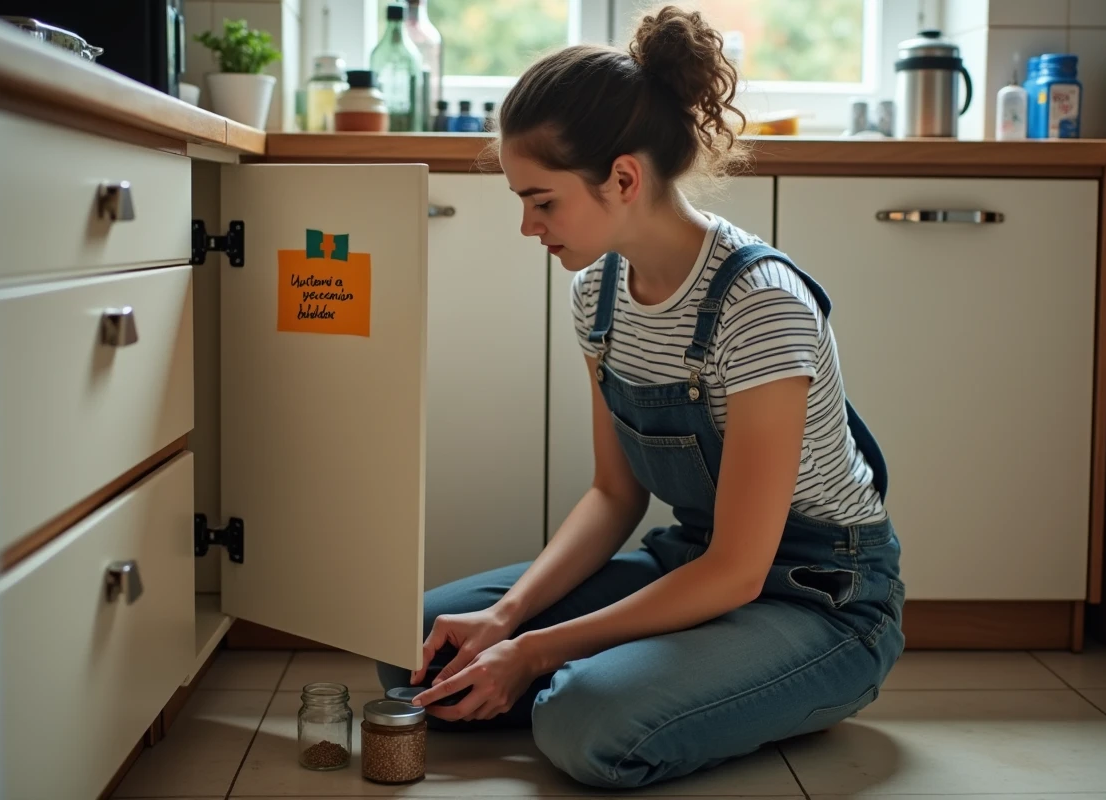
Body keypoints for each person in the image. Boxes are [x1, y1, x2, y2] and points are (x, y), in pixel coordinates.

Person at [376, 4, 905, 790]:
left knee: (582, 721)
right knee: (408, 645)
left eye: (542, 200)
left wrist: (539, 651)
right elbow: (614, 493)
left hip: (820, 597)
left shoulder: (761, 306)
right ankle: (656, 673)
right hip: (693, 560)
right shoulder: (597, 294)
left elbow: (738, 572)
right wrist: (507, 618)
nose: (528, 226)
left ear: (623, 177)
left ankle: (746, 681)